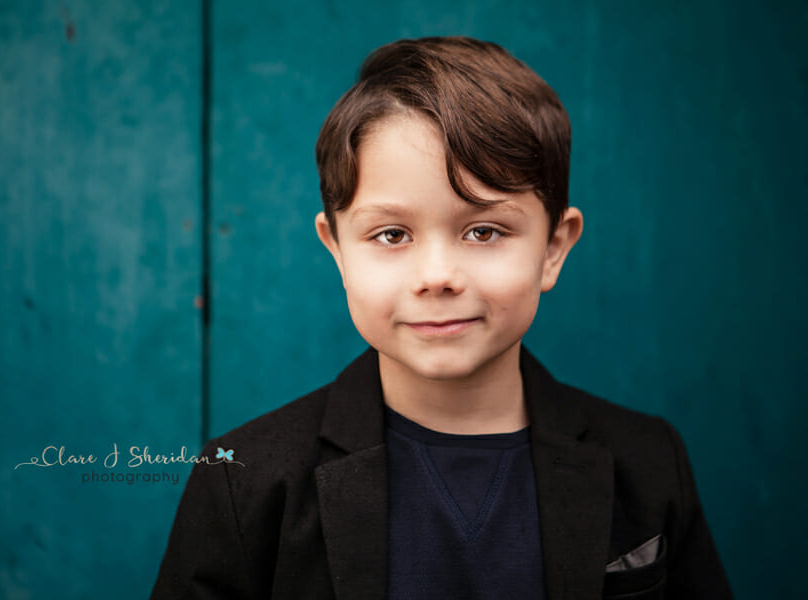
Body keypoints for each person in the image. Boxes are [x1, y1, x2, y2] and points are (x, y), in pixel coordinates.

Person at [149, 36, 732, 599]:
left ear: (553, 248)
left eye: (483, 231)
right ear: (338, 251)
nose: (437, 275)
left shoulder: (649, 463)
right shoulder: (245, 479)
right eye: (392, 234)